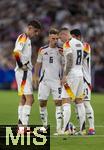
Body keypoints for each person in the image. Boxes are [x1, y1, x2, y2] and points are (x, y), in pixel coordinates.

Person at [33, 28, 63, 134]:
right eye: (53, 38)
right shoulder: (42, 50)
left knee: (58, 103)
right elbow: (38, 63)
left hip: (57, 81)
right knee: (42, 103)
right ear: (49, 38)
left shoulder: (61, 50)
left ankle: (59, 129)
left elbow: (65, 64)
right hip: (44, 81)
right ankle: (44, 126)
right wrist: (35, 76)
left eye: (57, 38)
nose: (55, 40)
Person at [13, 20, 41, 131]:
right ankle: (23, 126)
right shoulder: (23, 37)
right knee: (30, 99)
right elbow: (16, 52)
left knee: (24, 99)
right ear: (29, 28)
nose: (37, 34)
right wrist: (21, 65)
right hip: (23, 72)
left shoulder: (27, 39)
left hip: (24, 72)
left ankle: (20, 126)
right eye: (35, 31)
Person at [59, 27, 86, 135]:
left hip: (71, 76)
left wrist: (65, 75)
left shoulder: (67, 44)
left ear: (65, 34)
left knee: (66, 101)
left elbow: (70, 60)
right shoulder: (79, 43)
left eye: (60, 36)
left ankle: (65, 129)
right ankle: (83, 129)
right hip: (80, 74)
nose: (60, 39)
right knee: (79, 102)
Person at [70, 29, 95, 135]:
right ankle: (82, 127)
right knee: (77, 103)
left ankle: (91, 128)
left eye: (73, 37)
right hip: (77, 78)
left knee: (85, 102)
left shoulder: (85, 46)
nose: (71, 39)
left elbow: (78, 59)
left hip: (84, 79)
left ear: (78, 37)